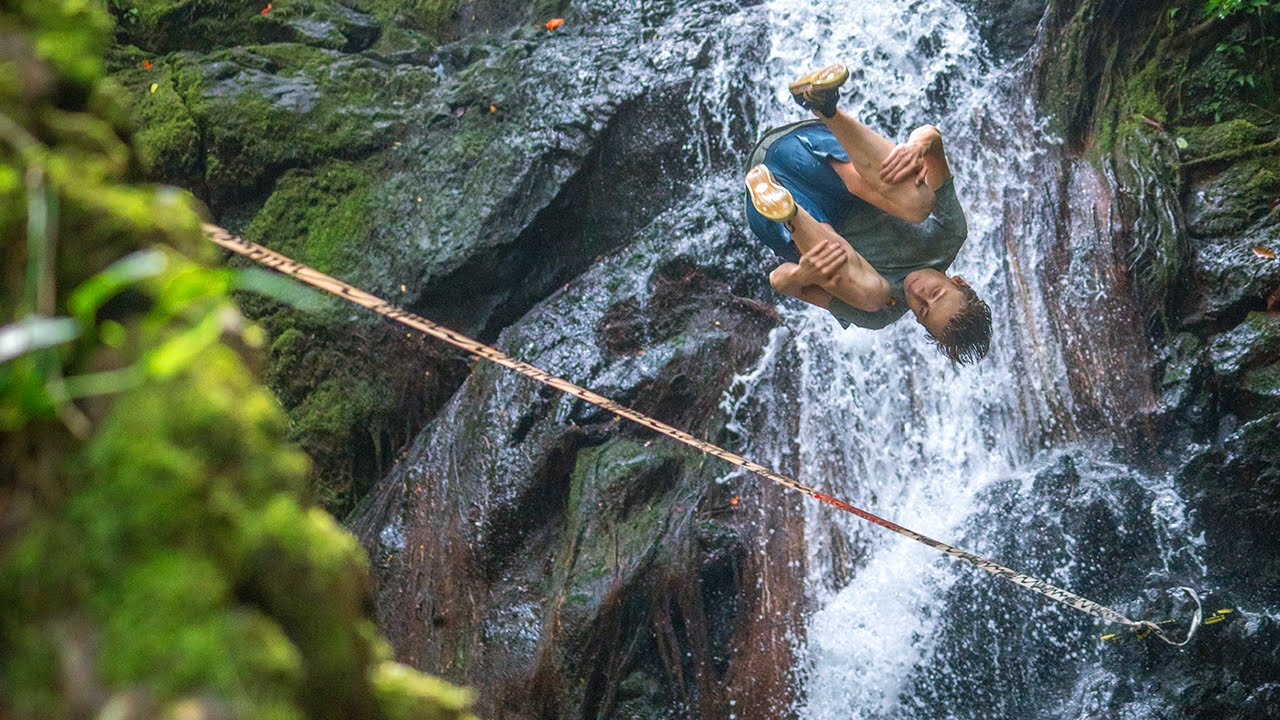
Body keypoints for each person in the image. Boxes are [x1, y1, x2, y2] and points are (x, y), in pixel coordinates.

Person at [744, 64, 991, 365]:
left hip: (784, 214)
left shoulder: (880, 314)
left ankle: (786, 209)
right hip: (810, 153)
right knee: (918, 203)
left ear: (919, 323)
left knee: (872, 295)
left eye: (923, 310)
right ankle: (824, 105)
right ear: (959, 282)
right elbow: (932, 139)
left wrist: (804, 274)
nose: (920, 294)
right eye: (936, 294)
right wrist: (918, 146)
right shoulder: (950, 235)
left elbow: (779, 280)